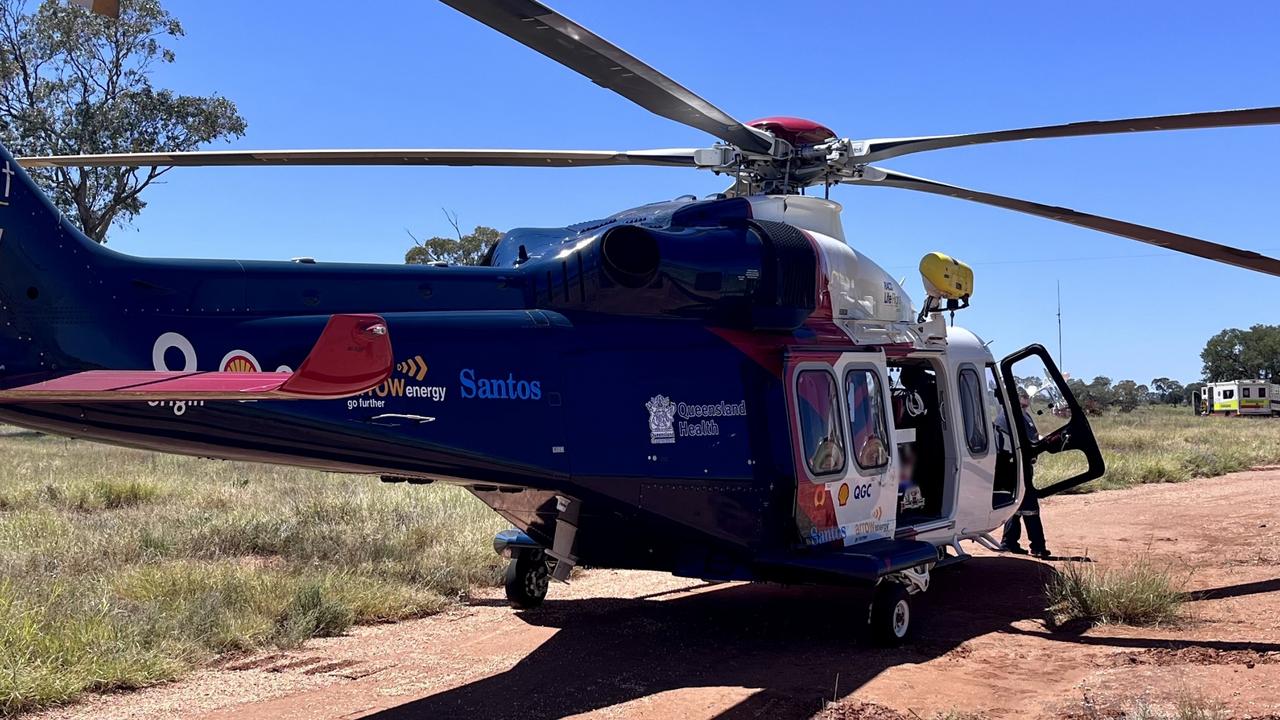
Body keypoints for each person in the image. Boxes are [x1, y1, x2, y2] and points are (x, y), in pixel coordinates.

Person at [997, 387, 1051, 559]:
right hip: (1014, 467)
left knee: (1016, 504)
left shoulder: (1020, 414)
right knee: (1029, 506)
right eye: (1023, 395)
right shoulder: (1012, 415)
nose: (1027, 398)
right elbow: (1028, 441)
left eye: (1027, 395)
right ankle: (1038, 546)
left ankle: (1009, 542)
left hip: (1019, 465)